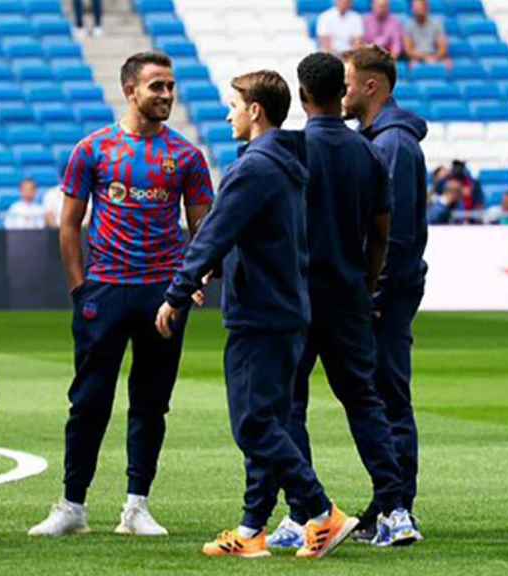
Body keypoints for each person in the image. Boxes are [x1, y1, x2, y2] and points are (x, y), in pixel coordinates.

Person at [155, 70, 357, 560]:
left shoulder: (254, 168)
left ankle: (321, 512)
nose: (228, 114)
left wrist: (179, 291)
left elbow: (214, 232)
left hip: (261, 315)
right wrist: (218, 272)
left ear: (255, 111)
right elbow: (267, 240)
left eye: (233, 105)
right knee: (271, 421)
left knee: (252, 424)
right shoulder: (287, 164)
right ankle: (251, 530)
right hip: (286, 308)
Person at [27, 51, 213, 538]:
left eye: (171, 86)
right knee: (88, 401)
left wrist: (193, 281)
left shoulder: (187, 156)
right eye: (157, 87)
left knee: (151, 403)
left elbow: (204, 228)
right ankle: (72, 505)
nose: (167, 95)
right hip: (105, 290)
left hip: (163, 294)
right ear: (130, 90)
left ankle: (137, 506)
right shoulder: (93, 150)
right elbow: (70, 225)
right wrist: (78, 286)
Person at [263, 52, 419, 552]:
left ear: (303, 95)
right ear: (338, 92)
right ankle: (395, 510)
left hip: (298, 298)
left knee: (290, 404)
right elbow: (381, 230)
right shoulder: (368, 152)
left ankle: (306, 513)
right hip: (350, 295)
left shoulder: (288, 150)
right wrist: (367, 281)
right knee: (364, 402)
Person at [342, 45, 429, 538]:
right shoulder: (379, 139)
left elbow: (392, 233)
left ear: (372, 86)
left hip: (385, 291)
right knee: (377, 394)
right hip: (382, 287)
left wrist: (372, 293)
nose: (344, 92)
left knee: (389, 394)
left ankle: (399, 504)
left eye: (349, 83)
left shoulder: (392, 146)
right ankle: (387, 499)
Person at [404, 0, 450, 68]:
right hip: (417, 57)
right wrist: (424, 58)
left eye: (419, 8)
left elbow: (443, 48)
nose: (417, 11)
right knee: (413, 66)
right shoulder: (408, 25)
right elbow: (408, 50)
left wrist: (434, 58)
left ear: (426, 8)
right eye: (415, 8)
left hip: (435, 55)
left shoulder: (437, 23)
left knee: (448, 64)